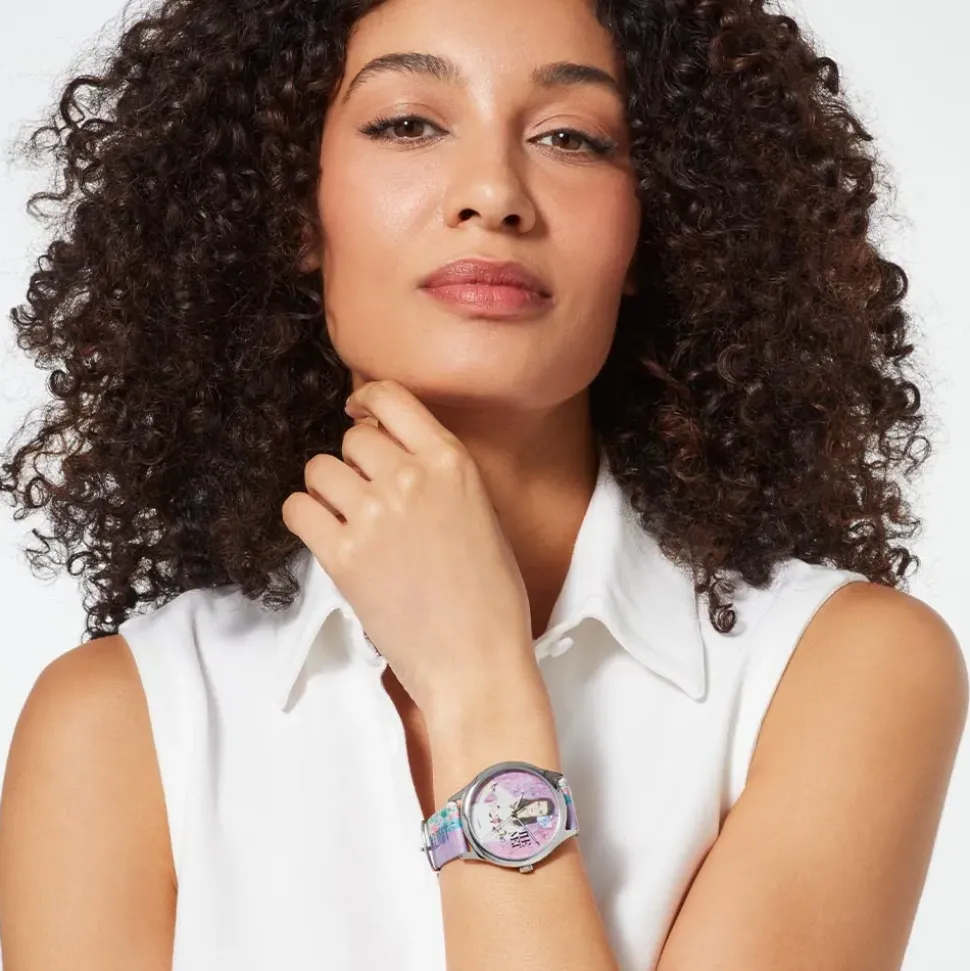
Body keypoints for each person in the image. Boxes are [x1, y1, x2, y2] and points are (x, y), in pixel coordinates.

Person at [0, 0, 965, 968]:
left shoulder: (842, 668)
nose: (494, 193)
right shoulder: (119, 724)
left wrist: (477, 687)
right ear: (296, 208)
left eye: (570, 137)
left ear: (651, 220)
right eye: (407, 123)